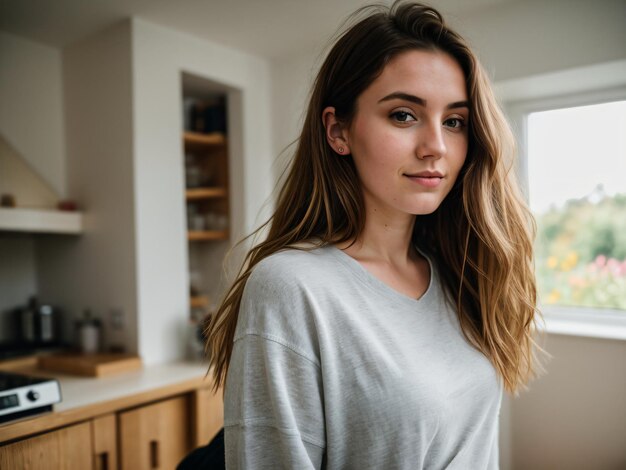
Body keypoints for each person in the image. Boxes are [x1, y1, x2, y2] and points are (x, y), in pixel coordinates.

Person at [206, 1, 542, 468]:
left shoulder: (457, 271)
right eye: (404, 115)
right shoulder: (292, 287)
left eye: (455, 121)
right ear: (338, 130)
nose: (436, 147)